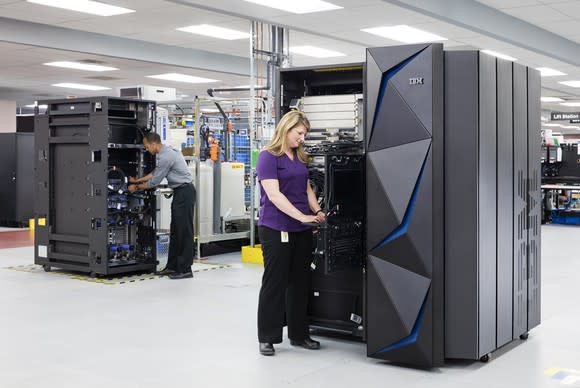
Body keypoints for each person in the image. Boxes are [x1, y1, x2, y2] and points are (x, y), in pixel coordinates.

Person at [255, 111, 326, 356]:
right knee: (275, 281)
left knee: (300, 282)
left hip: (301, 229)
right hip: (276, 228)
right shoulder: (268, 157)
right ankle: (267, 336)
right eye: (299, 133)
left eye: (304, 134)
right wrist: (303, 216)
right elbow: (274, 196)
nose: (302, 138)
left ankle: (299, 335)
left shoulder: (299, 156)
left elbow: (306, 188)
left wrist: (316, 210)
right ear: (286, 129)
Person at [128, 132, 195, 280]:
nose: (146, 150)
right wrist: (137, 180)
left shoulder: (166, 156)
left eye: (146, 147)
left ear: (153, 144)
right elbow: (154, 173)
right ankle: (172, 266)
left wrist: (136, 187)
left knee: (184, 231)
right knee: (176, 231)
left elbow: (154, 182)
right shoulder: (163, 154)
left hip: (185, 192)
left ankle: (185, 269)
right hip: (179, 193)